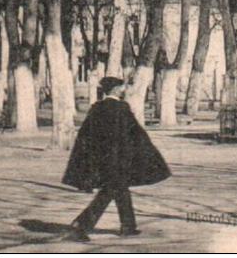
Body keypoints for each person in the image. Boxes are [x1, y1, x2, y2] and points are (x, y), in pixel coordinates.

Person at [62, 76, 171, 241]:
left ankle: (128, 226)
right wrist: (147, 155)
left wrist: (88, 161)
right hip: (119, 160)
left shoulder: (96, 108)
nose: (123, 90)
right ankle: (81, 225)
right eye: (121, 88)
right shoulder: (121, 108)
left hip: (102, 161)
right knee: (108, 193)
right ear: (115, 90)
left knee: (120, 191)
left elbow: (85, 136)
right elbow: (136, 134)